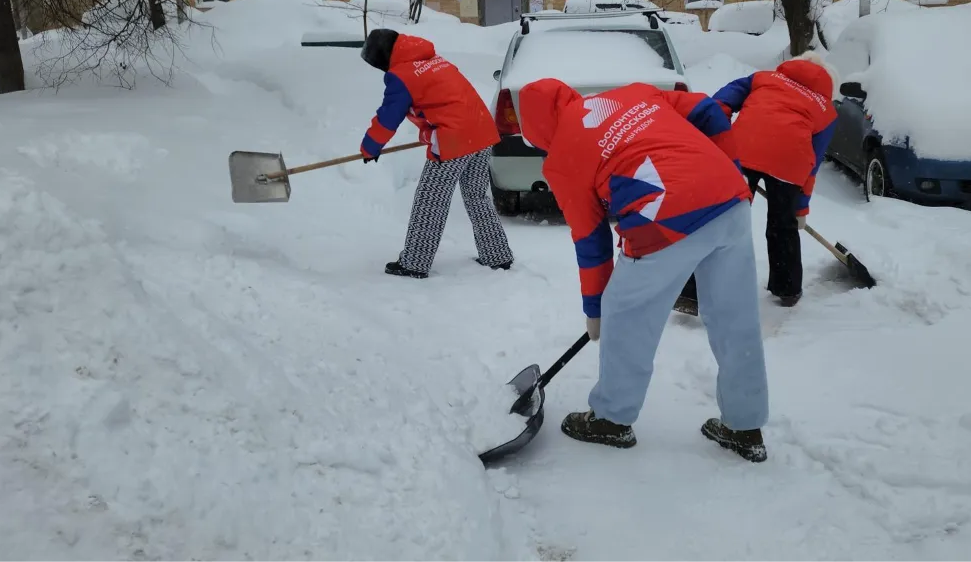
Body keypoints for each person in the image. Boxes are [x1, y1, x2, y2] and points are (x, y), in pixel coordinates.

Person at [516, 77, 770, 462]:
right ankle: (744, 425)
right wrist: (727, 170)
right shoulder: (633, 93)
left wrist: (598, 311)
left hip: (663, 216)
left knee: (627, 318)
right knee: (735, 318)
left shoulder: (563, 159)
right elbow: (708, 110)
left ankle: (611, 419)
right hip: (730, 201)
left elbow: (591, 242)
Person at [676, 51, 839, 312]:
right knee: (782, 224)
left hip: (742, 149)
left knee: (723, 219)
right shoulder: (826, 109)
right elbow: (813, 165)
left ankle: (692, 293)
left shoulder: (762, 78)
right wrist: (799, 209)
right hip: (790, 163)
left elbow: (719, 103)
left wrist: (719, 134)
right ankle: (786, 289)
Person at [359, 28, 514, 279]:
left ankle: (415, 263)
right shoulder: (433, 60)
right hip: (481, 131)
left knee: (430, 200)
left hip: (454, 139)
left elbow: (389, 116)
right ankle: (497, 255)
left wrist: (370, 147)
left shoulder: (402, 75)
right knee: (477, 197)